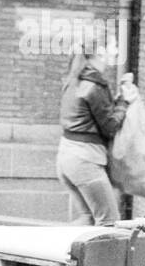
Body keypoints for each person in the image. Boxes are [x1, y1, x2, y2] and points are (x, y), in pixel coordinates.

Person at [56, 40, 138, 225]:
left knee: (88, 219)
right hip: (85, 161)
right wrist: (124, 102)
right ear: (99, 55)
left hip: (66, 158)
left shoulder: (73, 80)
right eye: (108, 52)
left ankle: (60, 244)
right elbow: (110, 127)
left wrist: (119, 100)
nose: (111, 56)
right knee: (108, 222)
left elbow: (95, 116)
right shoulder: (94, 85)